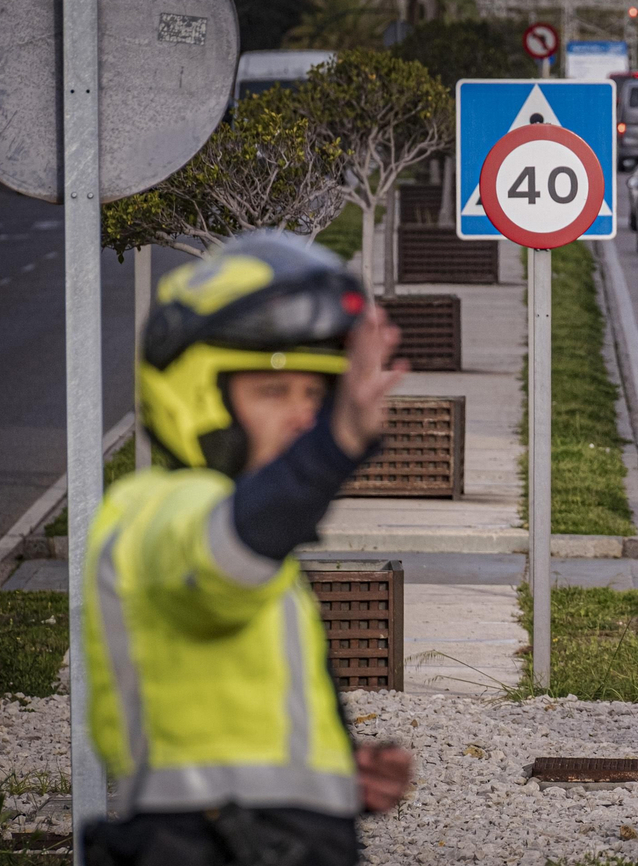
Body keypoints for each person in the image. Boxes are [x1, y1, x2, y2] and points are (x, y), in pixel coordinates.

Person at [83, 232, 412, 866]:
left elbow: (239, 721)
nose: (300, 417)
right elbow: (223, 560)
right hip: (198, 846)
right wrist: (336, 442)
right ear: (197, 396)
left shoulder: (266, 546)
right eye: (272, 392)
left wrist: (339, 774)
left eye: (315, 397)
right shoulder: (155, 513)